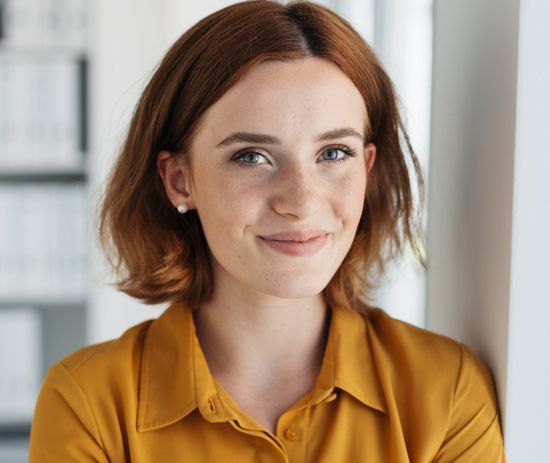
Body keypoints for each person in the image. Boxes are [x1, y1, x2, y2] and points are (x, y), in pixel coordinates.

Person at [28, 1, 506, 461]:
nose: (300, 202)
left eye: (333, 153)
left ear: (368, 168)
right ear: (180, 180)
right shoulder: (87, 401)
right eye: (251, 157)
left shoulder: (447, 390)